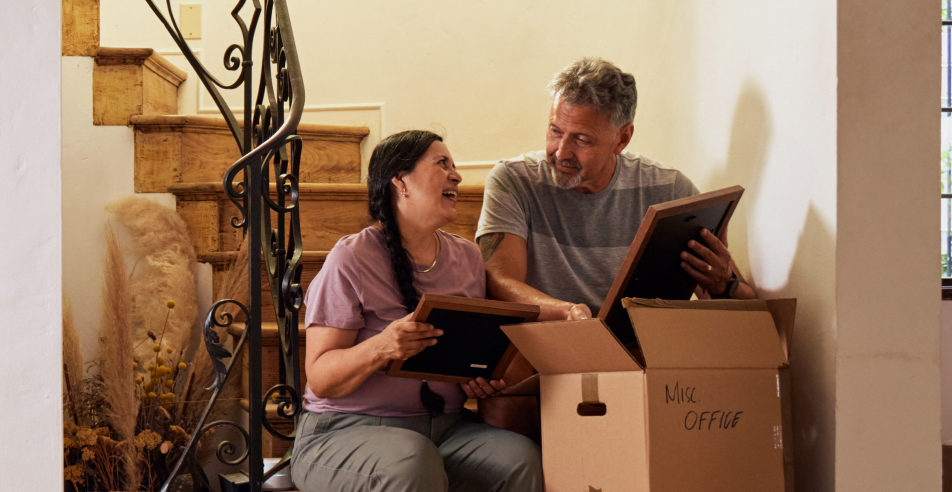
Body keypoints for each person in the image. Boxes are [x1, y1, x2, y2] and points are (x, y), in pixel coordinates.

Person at [290, 130, 542, 492]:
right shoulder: (352, 257)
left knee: (518, 458)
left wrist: (479, 377)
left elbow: (465, 350)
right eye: (442, 164)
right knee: (411, 460)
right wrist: (382, 346)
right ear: (400, 181)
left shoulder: (468, 257)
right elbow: (321, 377)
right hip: (345, 428)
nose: (456, 175)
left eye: (455, 166)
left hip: (446, 428)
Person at [476, 57, 757, 323]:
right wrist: (568, 313)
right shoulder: (512, 180)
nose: (561, 152)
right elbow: (500, 281)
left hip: (639, 350)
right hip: (545, 342)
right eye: (555, 131)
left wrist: (725, 284)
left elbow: (746, 306)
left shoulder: (670, 190)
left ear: (622, 138)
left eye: (582, 139)